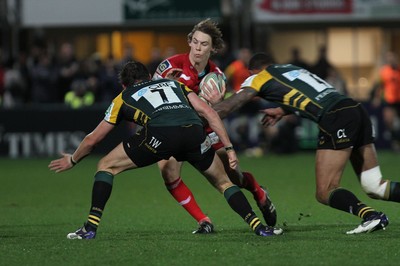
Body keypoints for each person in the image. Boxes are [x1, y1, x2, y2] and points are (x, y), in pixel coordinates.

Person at [48, 61, 283, 239]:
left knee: (105, 166)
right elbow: (209, 113)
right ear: (149, 76)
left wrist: (73, 159)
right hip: (194, 132)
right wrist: (230, 148)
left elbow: (92, 140)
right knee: (224, 183)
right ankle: (260, 227)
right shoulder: (176, 84)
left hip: (161, 135)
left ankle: (89, 228)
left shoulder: (123, 96)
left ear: (123, 84)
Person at [213, 52, 397, 234]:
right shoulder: (291, 69)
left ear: (254, 71)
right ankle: (372, 215)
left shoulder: (258, 77)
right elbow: (313, 94)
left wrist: (198, 113)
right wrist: (282, 110)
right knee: (375, 185)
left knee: (325, 191)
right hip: (355, 109)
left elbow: (231, 105)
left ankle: (372, 216)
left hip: (335, 117)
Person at [153, 18, 277, 233]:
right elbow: (151, 95)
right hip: (174, 129)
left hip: (204, 130)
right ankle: (204, 221)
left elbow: (218, 111)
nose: (198, 48)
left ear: (212, 48)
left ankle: (259, 192)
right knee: (168, 172)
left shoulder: (217, 76)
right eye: (195, 42)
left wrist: (218, 102)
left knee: (233, 177)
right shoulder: (169, 66)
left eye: (204, 44)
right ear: (190, 41)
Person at [372, 51, 400, 151]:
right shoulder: (384, 71)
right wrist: (377, 98)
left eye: (392, 57)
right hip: (390, 99)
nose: (390, 59)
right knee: (389, 121)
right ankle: (395, 142)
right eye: (388, 58)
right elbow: (380, 85)